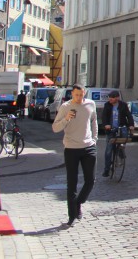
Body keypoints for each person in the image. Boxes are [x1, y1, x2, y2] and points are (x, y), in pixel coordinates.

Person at [52, 84, 97, 226]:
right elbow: (55, 128)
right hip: (71, 148)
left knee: (90, 180)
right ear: (72, 94)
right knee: (72, 184)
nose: (79, 97)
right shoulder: (65, 107)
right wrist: (66, 119)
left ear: (84, 93)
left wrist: (94, 138)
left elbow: (94, 121)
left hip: (88, 146)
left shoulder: (91, 104)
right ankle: (72, 216)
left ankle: (78, 202)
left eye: (81, 94)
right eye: (76, 95)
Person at [101, 90, 134, 177]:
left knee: (122, 141)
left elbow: (129, 115)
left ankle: (121, 152)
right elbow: (104, 116)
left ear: (117, 98)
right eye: (109, 97)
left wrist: (131, 125)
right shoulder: (107, 105)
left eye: (112, 97)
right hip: (111, 129)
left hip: (121, 127)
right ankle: (107, 169)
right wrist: (106, 125)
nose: (110, 99)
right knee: (109, 150)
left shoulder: (123, 105)